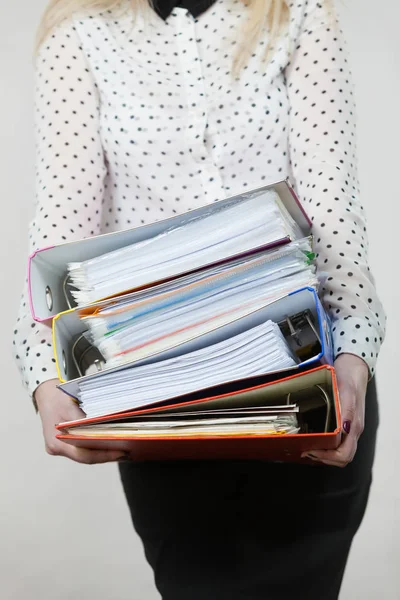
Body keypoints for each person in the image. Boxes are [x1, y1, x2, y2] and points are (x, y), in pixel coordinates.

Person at [13, 0, 386, 598]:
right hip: (166, 408)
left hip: (308, 389)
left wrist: (355, 361)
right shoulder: (80, 32)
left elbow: (333, 205)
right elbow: (60, 228)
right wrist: (42, 375)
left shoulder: (299, 14)